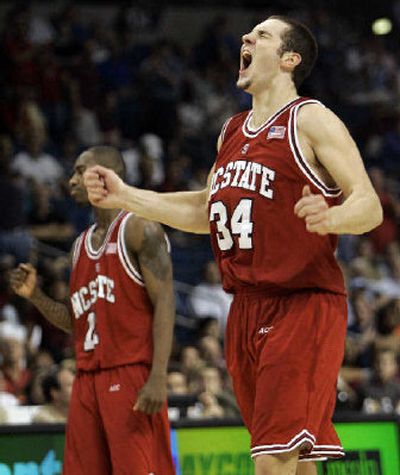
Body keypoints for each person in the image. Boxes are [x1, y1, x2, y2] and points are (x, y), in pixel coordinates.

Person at [83, 16, 383, 475]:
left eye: (261, 35)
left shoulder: (310, 118)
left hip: (301, 303)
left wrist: (332, 217)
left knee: (271, 460)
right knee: (296, 458)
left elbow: (369, 205)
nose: (247, 38)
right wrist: (126, 196)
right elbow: (205, 211)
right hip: (244, 309)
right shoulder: (232, 131)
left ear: (289, 59)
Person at [10, 146, 176, 475]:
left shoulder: (141, 229)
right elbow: (77, 322)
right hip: (87, 381)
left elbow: (166, 302)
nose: (71, 181)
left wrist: (158, 376)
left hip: (130, 374)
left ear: (104, 175)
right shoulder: (79, 246)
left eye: (79, 171)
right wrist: (36, 296)